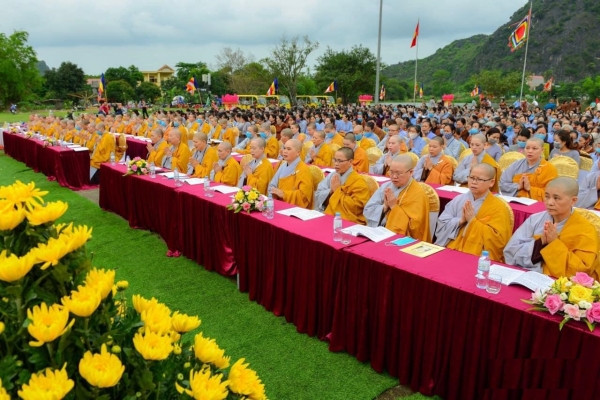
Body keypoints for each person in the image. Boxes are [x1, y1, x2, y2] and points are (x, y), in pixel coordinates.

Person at [504, 177, 600, 279]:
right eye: (547, 196)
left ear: (573, 201)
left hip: (560, 285)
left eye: (556, 198)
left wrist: (554, 243)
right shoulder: (535, 219)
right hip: (528, 277)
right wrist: (540, 243)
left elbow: (583, 271)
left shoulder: (585, 230)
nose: (550, 202)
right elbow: (510, 251)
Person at [435, 164, 513, 262]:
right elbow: (441, 224)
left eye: (479, 179)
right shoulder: (458, 200)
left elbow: (499, 241)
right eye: (471, 178)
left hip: (478, 258)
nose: (474, 182)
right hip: (451, 249)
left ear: (491, 182)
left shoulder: (499, 208)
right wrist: (460, 221)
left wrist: (472, 221)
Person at [363, 154, 430, 241]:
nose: (394, 176)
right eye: (391, 172)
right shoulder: (386, 187)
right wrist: (384, 207)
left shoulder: (418, 194)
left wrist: (394, 207)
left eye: (398, 173)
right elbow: (368, 210)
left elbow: (415, 227)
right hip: (378, 233)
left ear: (411, 172)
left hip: (402, 240)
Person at [314, 147, 371, 224]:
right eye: (335, 160)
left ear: (350, 162)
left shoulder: (358, 181)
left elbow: (357, 207)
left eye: (340, 161)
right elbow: (317, 194)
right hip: (329, 214)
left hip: (347, 220)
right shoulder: (332, 176)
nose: (336, 164)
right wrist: (330, 191)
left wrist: (337, 191)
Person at [268, 139, 314, 209]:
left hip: (293, 208)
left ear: (298, 153)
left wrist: (284, 194)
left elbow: (304, 196)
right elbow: (272, 185)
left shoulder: (303, 169)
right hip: (278, 203)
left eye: (289, 149)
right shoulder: (282, 165)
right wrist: (271, 201)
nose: (285, 151)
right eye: (284, 148)